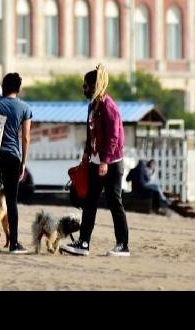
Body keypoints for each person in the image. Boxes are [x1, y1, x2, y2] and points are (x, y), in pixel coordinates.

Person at [61, 64, 130, 257]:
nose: (84, 89)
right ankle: (83, 243)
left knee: (114, 202)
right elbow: (90, 132)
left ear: (95, 85)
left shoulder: (109, 107)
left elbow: (114, 137)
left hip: (112, 163)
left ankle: (123, 245)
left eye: (86, 86)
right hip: (95, 161)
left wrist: (105, 162)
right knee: (89, 202)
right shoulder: (93, 106)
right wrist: (86, 154)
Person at [0, 72, 32, 254]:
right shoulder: (24, 108)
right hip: (12, 156)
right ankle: (14, 243)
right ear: (18, 88)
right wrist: (23, 161)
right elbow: (25, 137)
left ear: (3, 86)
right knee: (11, 201)